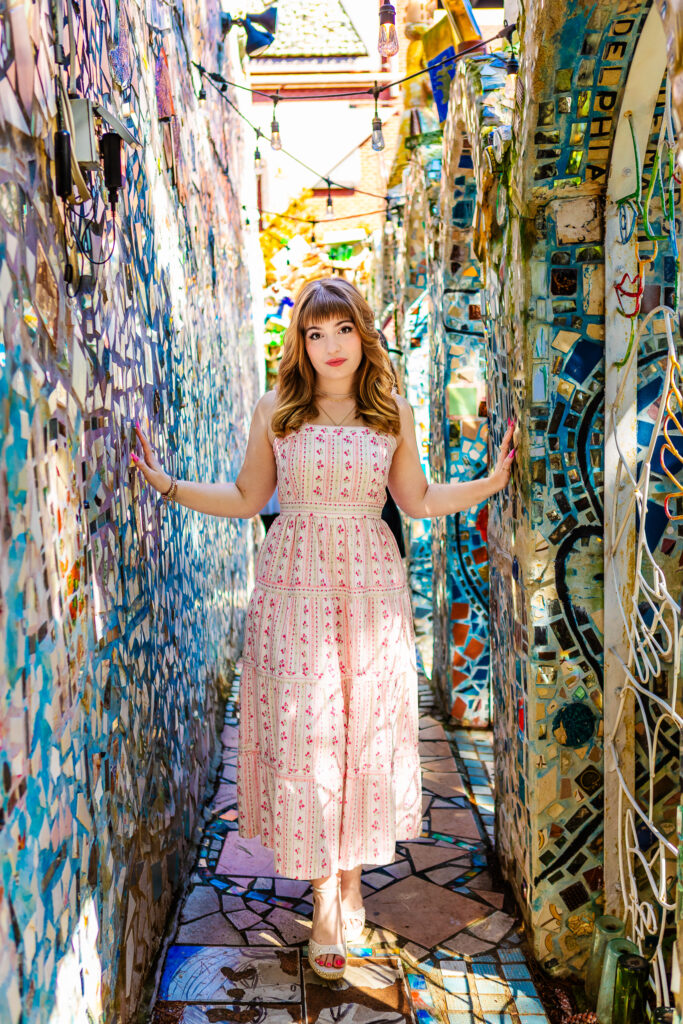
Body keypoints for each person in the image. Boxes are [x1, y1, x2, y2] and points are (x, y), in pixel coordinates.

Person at [131, 277, 515, 981]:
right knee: (311, 737)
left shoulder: (390, 411)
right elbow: (249, 498)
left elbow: (419, 500)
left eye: (341, 330)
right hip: (293, 591)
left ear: (361, 334)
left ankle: (347, 888)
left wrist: (488, 485)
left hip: (368, 590)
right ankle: (323, 892)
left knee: (360, 731)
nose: (330, 345)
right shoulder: (276, 409)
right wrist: (169, 485)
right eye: (315, 333)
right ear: (300, 343)